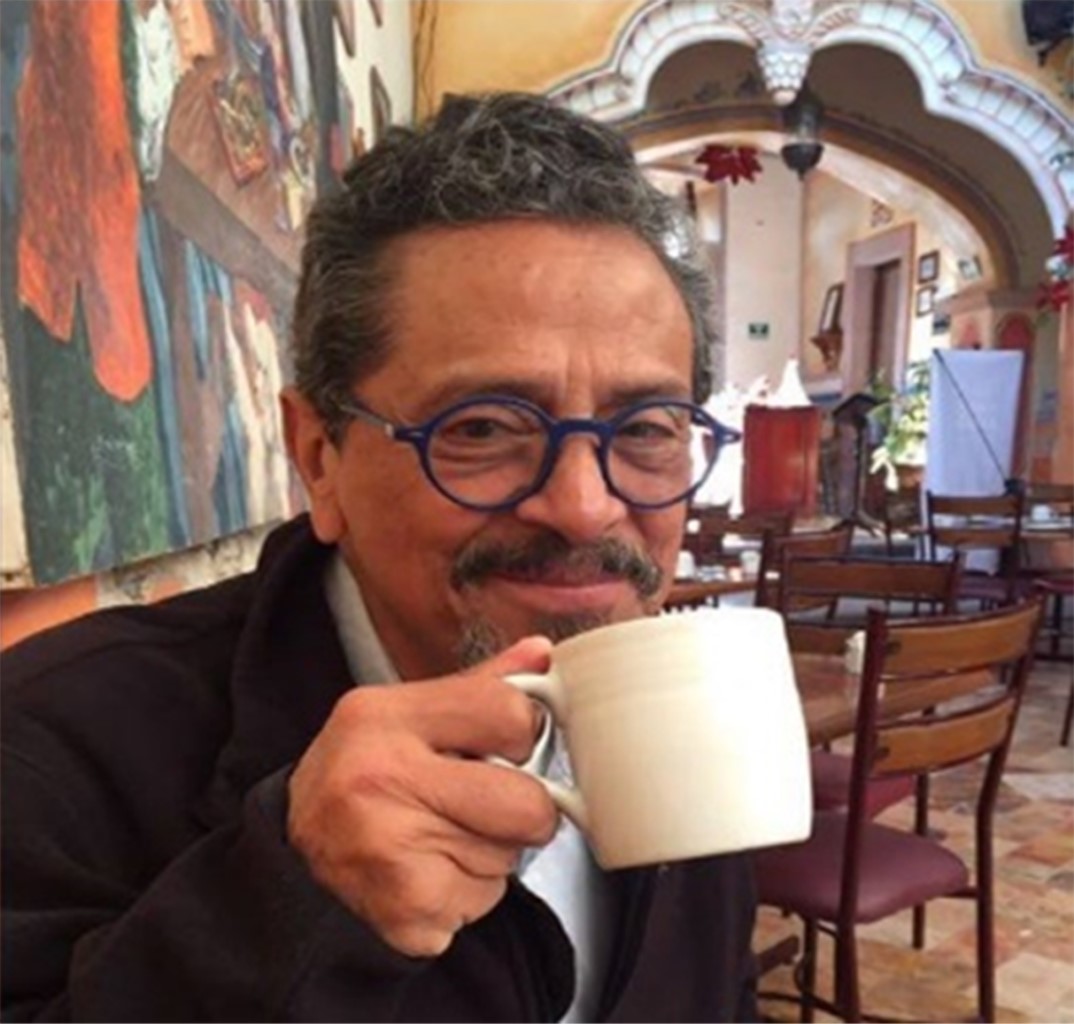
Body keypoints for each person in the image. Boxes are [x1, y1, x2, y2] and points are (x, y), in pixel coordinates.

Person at [2, 92, 757, 1022]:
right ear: (320, 458)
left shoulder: (698, 721)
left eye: (645, 428)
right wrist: (276, 907)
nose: (584, 506)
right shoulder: (47, 748)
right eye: (482, 427)